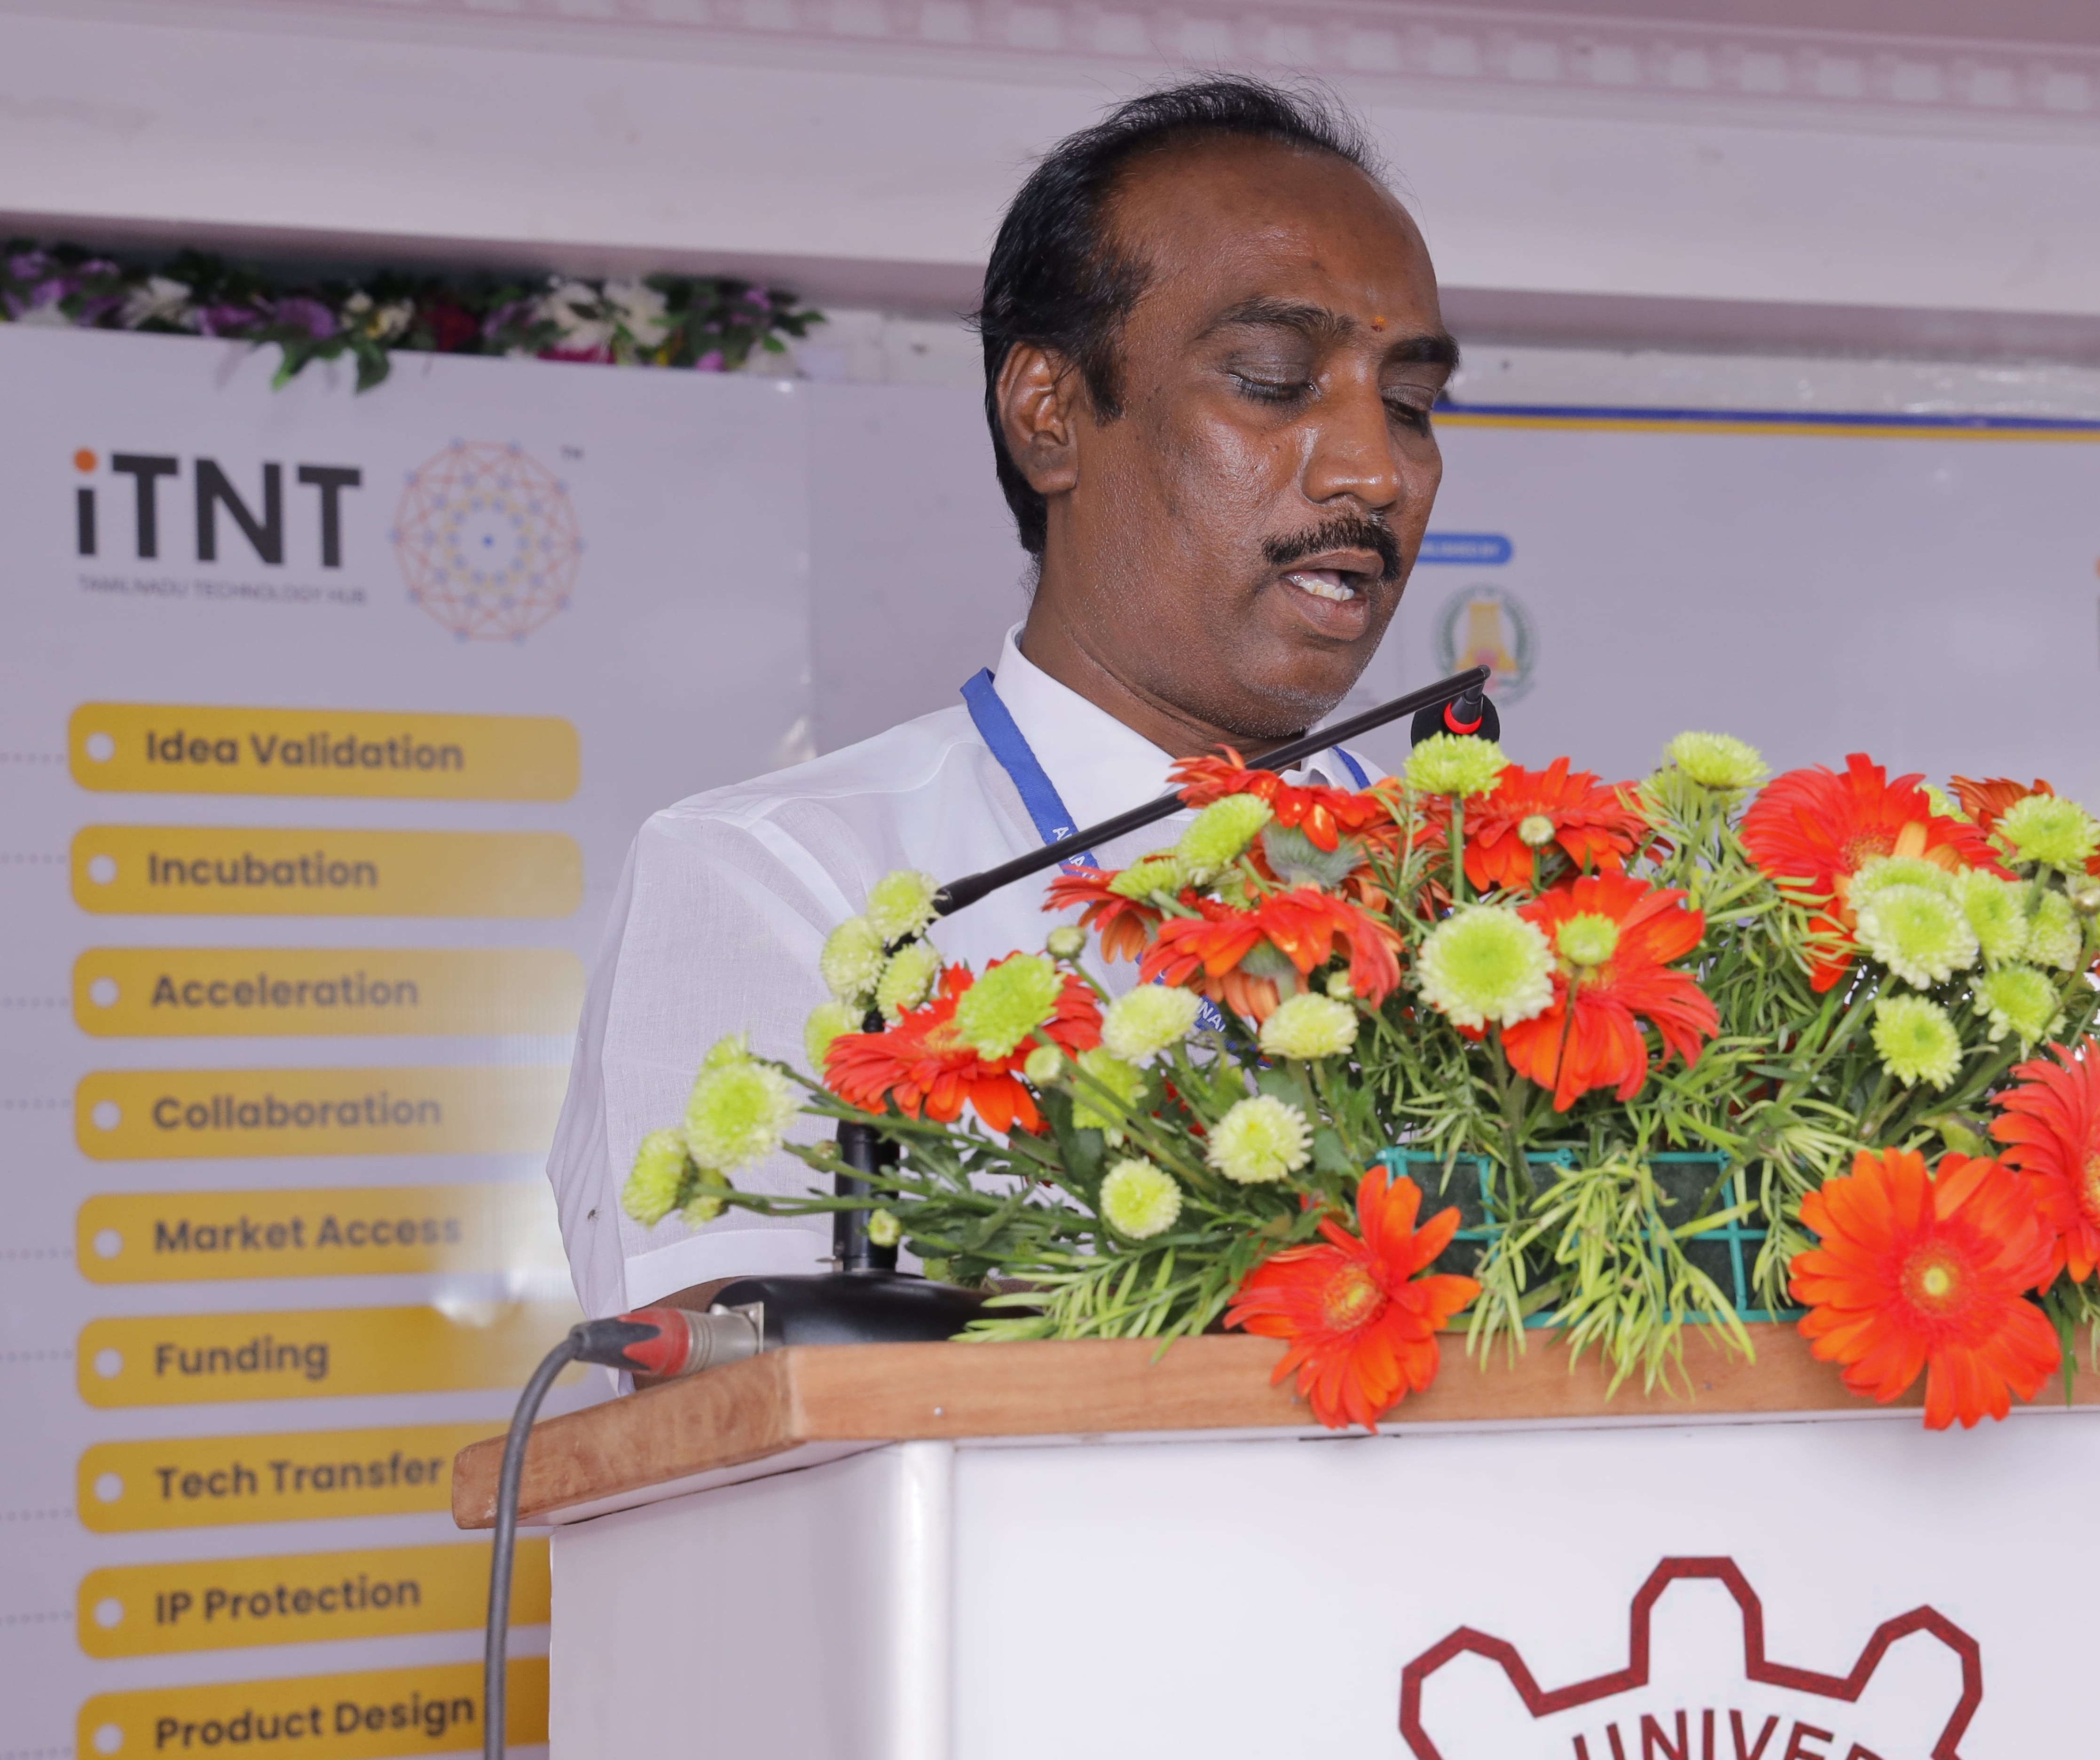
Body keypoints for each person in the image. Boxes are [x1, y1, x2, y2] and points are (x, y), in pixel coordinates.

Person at [545, 75, 1459, 1317]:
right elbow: (752, 1394)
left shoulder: (1481, 888)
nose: (1375, 469)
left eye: (1408, 404)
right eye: (1271, 378)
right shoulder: (788, 883)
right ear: (1050, 416)